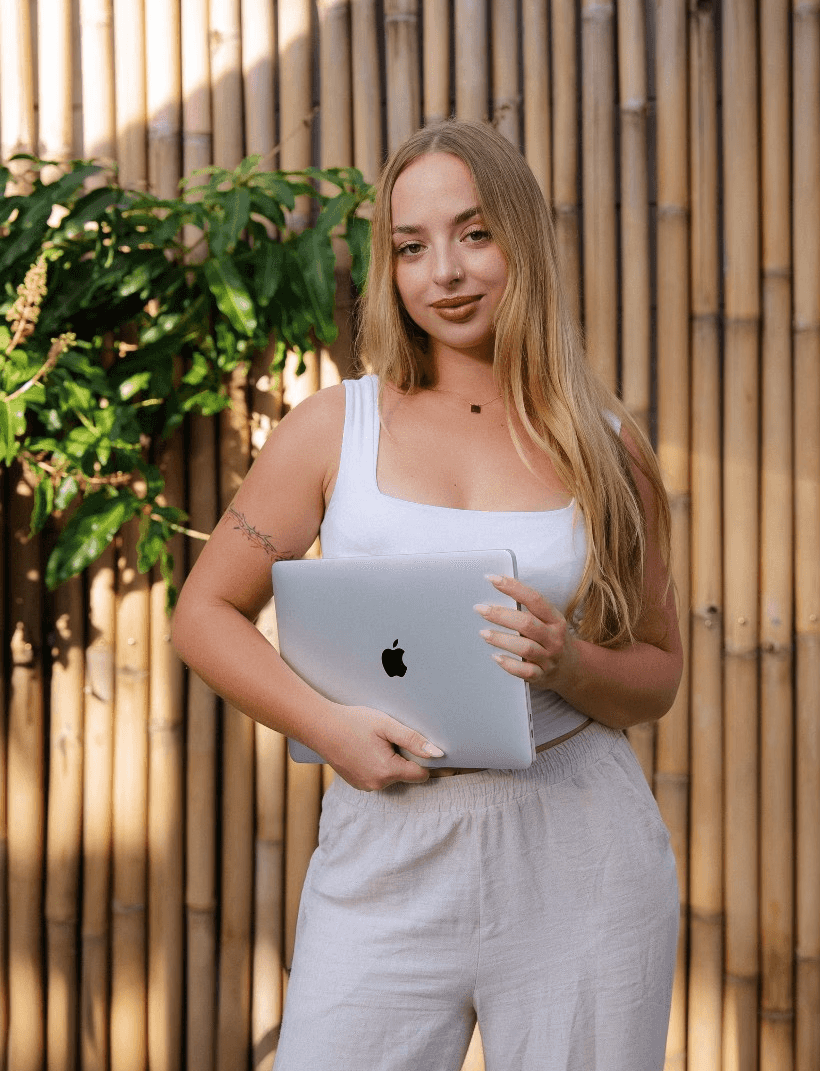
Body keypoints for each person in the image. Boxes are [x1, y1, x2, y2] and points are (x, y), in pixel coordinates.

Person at [171, 119, 682, 1070]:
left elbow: (657, 673)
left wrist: (570, 661)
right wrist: (328, 729)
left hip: (583, 850)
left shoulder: (609, 447)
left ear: (522, 240)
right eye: (411, 247)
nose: (443, 271)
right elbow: (203, 615)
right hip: (386, 839)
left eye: (474, 234)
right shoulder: (334, 427)